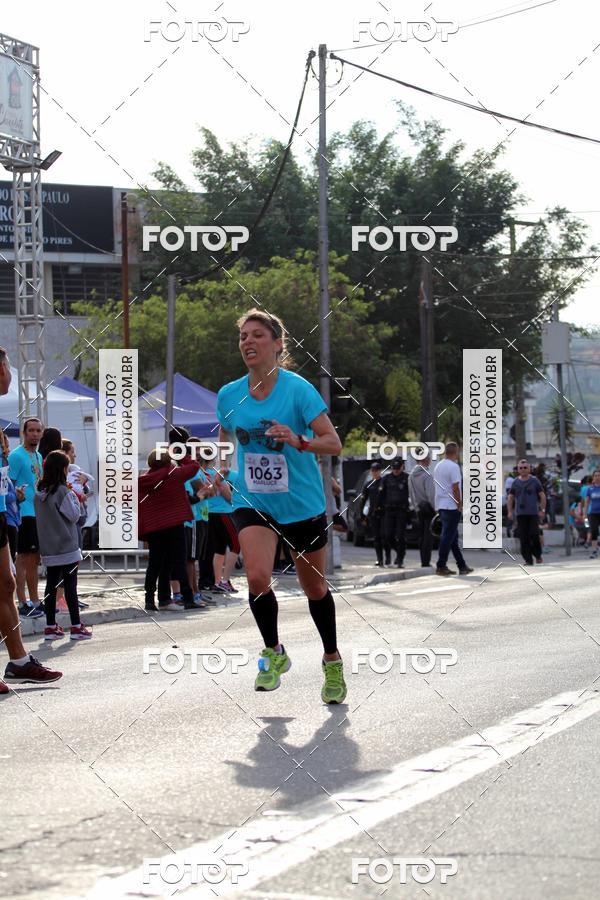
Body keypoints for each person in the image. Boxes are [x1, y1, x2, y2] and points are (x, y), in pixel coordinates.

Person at [216, 308, 346, 703]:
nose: (248, 342)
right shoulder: (229, 395)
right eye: (243, 337)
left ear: (277, 344)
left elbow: (333, 443)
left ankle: (332, 660)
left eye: (257, 335)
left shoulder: (298, 390)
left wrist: (299, 440)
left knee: (314, 588)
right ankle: (273, 652)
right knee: (256, 577)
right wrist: (222, 471)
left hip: (300, 503)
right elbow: (225, 437)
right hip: (252, 498)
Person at [0, 347, 62, 691]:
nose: (10, 374)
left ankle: (19, 661)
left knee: (6, 585)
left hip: (3, 513)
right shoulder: (22, 451)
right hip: (15, 514)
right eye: (8, 366)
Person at [34, 450, 92, 640]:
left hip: (49, 547)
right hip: (67, 546)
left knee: (51, 585)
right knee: (70, 587)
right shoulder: (62, 491)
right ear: (63, 469)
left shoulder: (39, 491)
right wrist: (75, 496)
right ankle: (76, 626)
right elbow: (74, 515)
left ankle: (50, 626)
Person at [138, 447, 203, 611]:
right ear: (168, 460)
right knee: (178, 562)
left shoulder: (143, 481)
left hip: (154, 528)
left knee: (155, 564)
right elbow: (195, 466)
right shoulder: (175, 474)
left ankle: (150, 600)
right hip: (174, 525)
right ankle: (188, 599)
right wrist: (181, 455)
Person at [8, 417, 44, 616]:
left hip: (37, 512)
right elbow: (8, 484)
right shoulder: (16, 455)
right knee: (22, 558)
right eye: (31, 430)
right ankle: (22, 603)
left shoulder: (38, 455)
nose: (35, 434)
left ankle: (35, 600)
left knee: (34, 558)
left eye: (38, 430)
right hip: (23, 513)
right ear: (24, 432)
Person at [434, 442, 473, 577]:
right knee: (447, 536)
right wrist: (459, 504)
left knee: (452, 538)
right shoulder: (454, 466)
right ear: (455, 453)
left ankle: (462, 565)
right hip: (451, 506)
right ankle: (441, 565)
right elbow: (455, 488)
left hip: (441, 504)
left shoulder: (438, 466)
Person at [205, 466, 241, 593]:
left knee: (219, 548)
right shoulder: (216, 475)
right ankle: (224, 581)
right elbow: (229, 497)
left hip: (211, 513)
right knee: (236, 545)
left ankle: (217, 582)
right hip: (223, 512)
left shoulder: (204, 474)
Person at [507, 459, 546, 565]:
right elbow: (510, 497)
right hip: (520, 514)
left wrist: (542, 510)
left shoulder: (534, 481)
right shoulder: (515, 482)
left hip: (533, 513)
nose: (523, 469)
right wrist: (510, 511)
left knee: (534, 534)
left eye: (525, 468)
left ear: (529, 469)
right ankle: (528, 559)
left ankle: (538, 555)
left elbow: (542, 496)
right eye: (521, 468)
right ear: (518, 470)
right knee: (523, 537)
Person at [380, 459, 410, 567]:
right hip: (389, 511)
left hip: (401, 510)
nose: (396, 471)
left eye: (398, 468)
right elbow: (381, 495)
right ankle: (399, 551)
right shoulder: (386, 479)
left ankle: (400, 559)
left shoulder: (407, 478)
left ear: (402, 467)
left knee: (400, 536)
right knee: (388, 536)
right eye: (394, 469)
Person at [408, 452, 436, 568]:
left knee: (421, 536)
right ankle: (426, 561)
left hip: (418, 509)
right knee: (428, 536)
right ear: (426, 459)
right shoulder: (427, 475)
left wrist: (415, 507)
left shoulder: (411, 475)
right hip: (428, 509)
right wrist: (436, 509)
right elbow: (431, 495)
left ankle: (422, 560)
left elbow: (411, 494)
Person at [360, 461, 387, 566]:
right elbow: (363, 500)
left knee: (384, 536)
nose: (375, 473)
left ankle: (387, 557)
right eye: (373, 471)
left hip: (384, 513)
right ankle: (379, 559)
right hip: (373, 513)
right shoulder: (368, 485)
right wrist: (362, 515)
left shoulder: (384, 483)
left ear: (380, 471)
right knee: (376, 537)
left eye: (377, 470)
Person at [583, 469, 600, 559]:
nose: (597, 477)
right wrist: (585, 514)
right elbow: (586, 502)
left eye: (599, 475)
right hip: (593, 513)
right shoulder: (590, 489)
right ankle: (594, 550)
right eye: (596, 475)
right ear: (593, 477)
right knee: (594, 531)